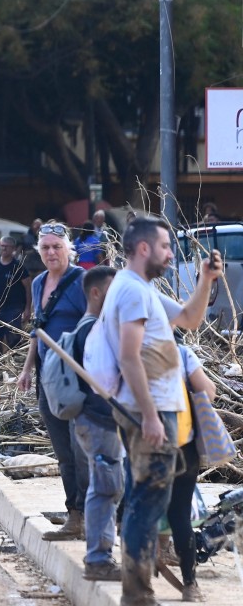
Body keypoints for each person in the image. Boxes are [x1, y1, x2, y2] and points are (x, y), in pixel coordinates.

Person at [99, 217, 219, 606]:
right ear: (145, 249)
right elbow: (128, 356)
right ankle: (137, 595)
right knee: (147, 505)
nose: (171, 254)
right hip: (150, 411)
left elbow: (190, 319)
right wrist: (150, 415)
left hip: (158, 411)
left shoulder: (142, 290)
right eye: (167, 247)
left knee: (142, 500)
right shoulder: (132, 292)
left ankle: (138, 591)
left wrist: (206, 281)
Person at [16, 222, 89, 542]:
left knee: (81, 448)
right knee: (62, 449)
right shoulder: (39, 283)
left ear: (68, 249)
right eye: (45, 247)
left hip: (77, 376)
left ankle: (89, 514)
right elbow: (38, 329)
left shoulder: (84, 282)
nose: (50, 253)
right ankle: (74, 513)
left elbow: (97, 327)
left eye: (56, 247)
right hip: (48, 376)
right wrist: (27, 368)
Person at [60, 266, 124, 582]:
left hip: (93, 421)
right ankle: (98, 559)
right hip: (99, 421)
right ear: (96, 292)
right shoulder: (93, 331)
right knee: (105, 488)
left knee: (106, 485)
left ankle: (101, 555)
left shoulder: (89, 328)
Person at [167, 342, 215, 601]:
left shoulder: (128, 346)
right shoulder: (180, 351)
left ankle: (137, 583)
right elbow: (209, 391)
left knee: (138, 510)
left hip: (144, 444)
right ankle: (190, 585)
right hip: (183, 445)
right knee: (180, 515)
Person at [0, 236, 32, 360]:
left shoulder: (18, 267)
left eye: (6, 246)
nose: (3, 248)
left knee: (14, 340)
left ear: (13, 249)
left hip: (14, 309)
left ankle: (14, 364)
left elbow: (28, 289)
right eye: (1, 246)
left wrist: (27, 309)